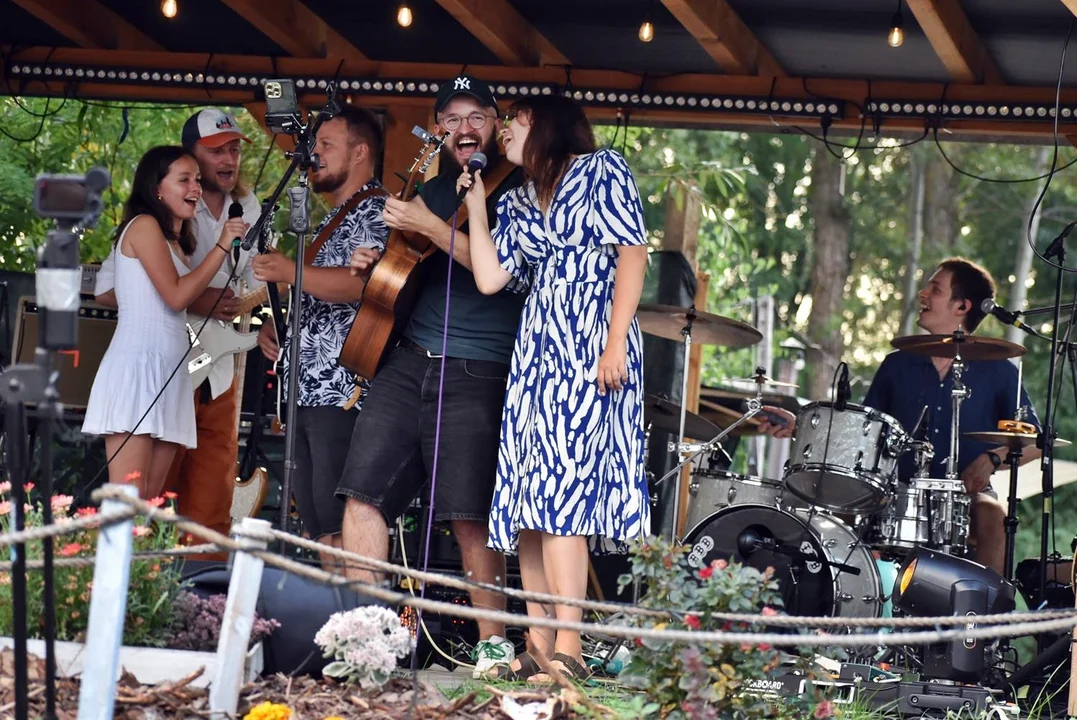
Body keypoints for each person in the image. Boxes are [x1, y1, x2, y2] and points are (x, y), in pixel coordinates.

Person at [457, 94, 651, 682]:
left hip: (592, 344)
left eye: (512, 122)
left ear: (541, 124)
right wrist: (477, 207)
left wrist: (615, 342)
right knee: (530, 503)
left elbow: (633, 254)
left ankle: (570, 643)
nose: (503, 135)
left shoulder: (600, 170)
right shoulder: (515, 197)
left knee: (566, 499)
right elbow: (491, 278)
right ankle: (539, 644)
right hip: (539, 352)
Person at [339, 75, 523, 679]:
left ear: (496, 125)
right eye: (453, 118)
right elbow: (408, 271)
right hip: (407, 356)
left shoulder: (518, 188)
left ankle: (494, 648)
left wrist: (425, 225)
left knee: (470, 513)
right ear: (438, 127)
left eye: (478, 116)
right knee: (362, 495)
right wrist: (377, 263)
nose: (465, 128)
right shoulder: (433, 187)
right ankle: (363, 643)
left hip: (480, 364)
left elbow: (493, 269)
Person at [759, 258, 1039, 573]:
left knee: (995, 517)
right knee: (838, 507)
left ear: (962, 306)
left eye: (934, 289)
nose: (922, 295)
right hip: (894, 492)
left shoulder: (1000, 369)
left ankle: (989, 620)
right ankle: (839, 605)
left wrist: (993, 458)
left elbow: (1036, 441)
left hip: (966, 496)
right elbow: (860, 433)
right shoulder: (896, 364)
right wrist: (802, 427)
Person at [95, 108, 260, 538]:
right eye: (186, 178)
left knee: (149, 509)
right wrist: (221, 249)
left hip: (181, 372)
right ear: (158, 186)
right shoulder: (145, 226)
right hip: (143, 368)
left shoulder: (180, 236)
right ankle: (108, 600)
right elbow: (173, 296)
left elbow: (249, 280)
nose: (196, 186)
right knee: (127, 508)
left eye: (234, 150)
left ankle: (158, 599)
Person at [253, 105, 389, 569]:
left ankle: (352, 633)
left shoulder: (376, 211)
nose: (314, 155)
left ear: (361, 152)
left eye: (326, 145)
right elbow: (319, 287)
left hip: (340, 390)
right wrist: (282, 326)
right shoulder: (334, 217)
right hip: (306, 390)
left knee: (337, 525)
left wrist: (290, 272)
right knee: (315, 526)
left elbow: (360, 285)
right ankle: (327, 633)